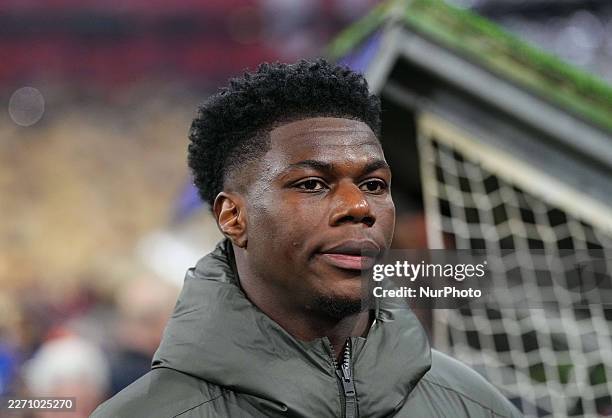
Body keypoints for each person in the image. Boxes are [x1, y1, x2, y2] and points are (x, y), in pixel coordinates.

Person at [91, 59, 522, 417]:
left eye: (374, 184)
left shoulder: (474, 405)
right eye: (313, 184)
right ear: (233, 217)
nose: (359, 206)